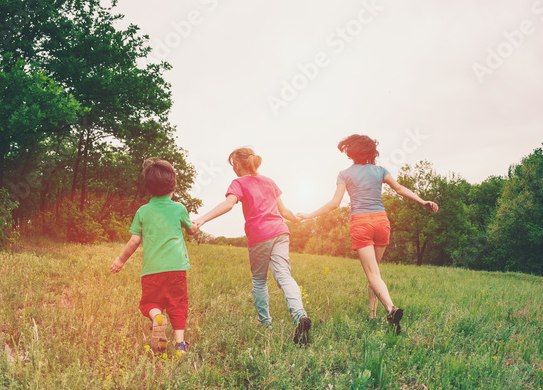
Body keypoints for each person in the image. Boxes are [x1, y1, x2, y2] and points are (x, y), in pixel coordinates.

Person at [297, 134, 438, 333]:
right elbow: (398, 188)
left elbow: (335, 203)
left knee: (372, 274)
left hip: (361, 222)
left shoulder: (344, 173)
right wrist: (422, 201)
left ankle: (390, 308)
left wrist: (309, 215)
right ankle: (372, 315)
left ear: (351, 152)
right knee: (375, 273)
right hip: (381, 221)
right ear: (371, 152)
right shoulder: (380, 170)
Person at [191, 147, 313, 345]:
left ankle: (265, 323)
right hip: (281, 231)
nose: (233, 169)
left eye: (232, 165)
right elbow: (284, 211)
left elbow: (229, 204)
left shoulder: (238, 182)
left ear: (238, 165)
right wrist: (297, 219)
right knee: (284, 276)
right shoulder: (269, 181)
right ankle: (299, 315)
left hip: (260, 235)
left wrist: (201, 219)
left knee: (259, 280)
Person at [111, 158, 197, 355]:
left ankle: (157, 316)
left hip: (152, 270)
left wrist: (120, 260)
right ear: (173, 185)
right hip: (177, 268)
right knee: (178, 304)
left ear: (148, 188)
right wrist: (195, 226)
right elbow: (191, 230)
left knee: (148, 303)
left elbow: (134, 241)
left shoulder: (143, 211)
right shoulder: (179, 209)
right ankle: (180, 344)